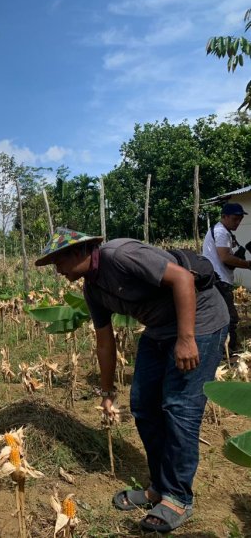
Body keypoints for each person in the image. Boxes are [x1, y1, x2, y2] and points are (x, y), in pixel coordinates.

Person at [35, 228, 229, 534]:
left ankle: (178, 497)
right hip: (158, 330)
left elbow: (183, 279)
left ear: (77, 253)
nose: (57, 270)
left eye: (57, 262)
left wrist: (187, 338)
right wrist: (107, 390)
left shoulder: (120, 255)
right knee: (143, 405)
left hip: (200, 322)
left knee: (180, 408)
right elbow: (104, 342)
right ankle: (159, 488)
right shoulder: (92, 289)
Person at [202, 202, 250, 363]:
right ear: (224, 217)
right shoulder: (221, 232)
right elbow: (225, 257)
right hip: (219, 280)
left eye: (240, 219)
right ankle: (227, 354)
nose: (238, 223)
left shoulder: (223, 231)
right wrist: (248, 264)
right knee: (229, 318)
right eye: (235, 219)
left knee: (222, 317)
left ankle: (220, 352)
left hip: (220, 278)